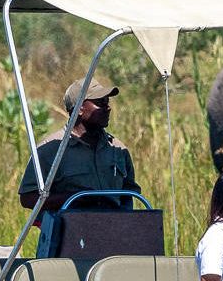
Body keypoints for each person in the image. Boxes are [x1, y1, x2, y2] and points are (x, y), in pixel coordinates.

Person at [18, 78, 140, 212]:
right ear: (80, 108)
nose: (108, 108)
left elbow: (128, 193)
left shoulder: (118, 149)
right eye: (100, 103)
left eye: (107, 102)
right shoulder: (50, 150)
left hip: (113, 229)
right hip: (69, 230)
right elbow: (28, 198)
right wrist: (74, 199)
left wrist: (126, 222)